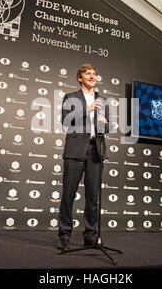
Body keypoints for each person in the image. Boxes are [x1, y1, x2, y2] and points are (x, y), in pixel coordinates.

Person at [57, 63, 110, 251]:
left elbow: (106, 127)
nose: (92, 76)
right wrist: (88, 109)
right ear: (80, 78)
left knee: (92, 196)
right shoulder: (71, 97)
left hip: (95, 151)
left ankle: (90, 234)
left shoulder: (102, 100)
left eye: (94, 73)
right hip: (75, 149)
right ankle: (64, 234)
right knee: (68, 194)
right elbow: (65, 120)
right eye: (88, 73)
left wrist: (104, 123)